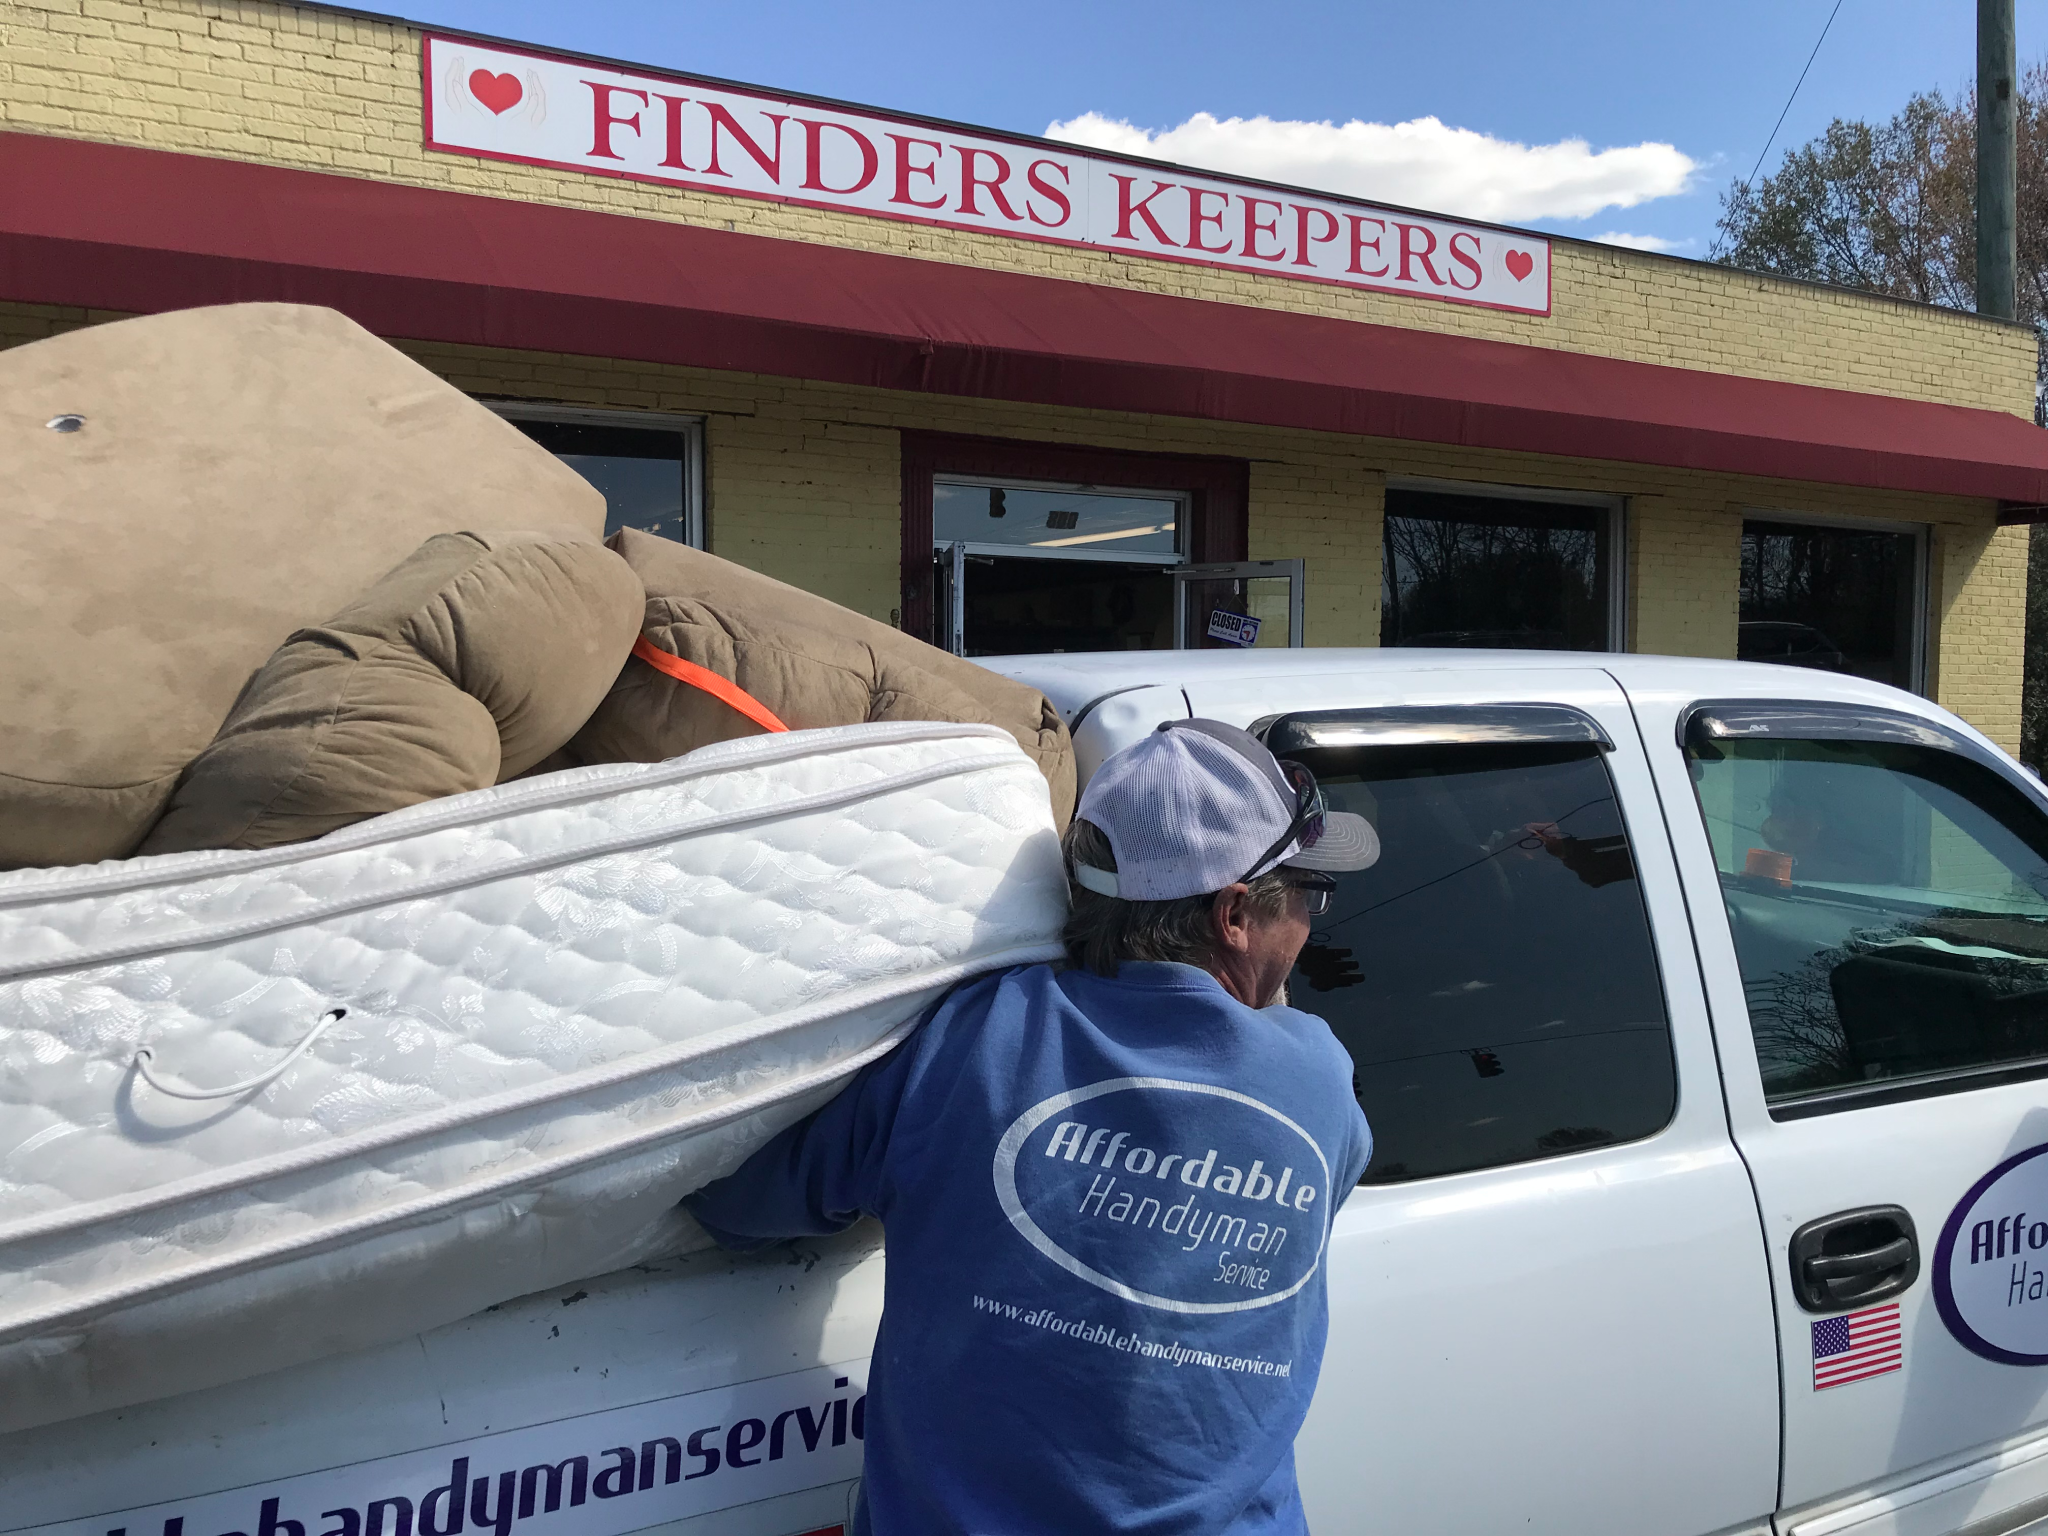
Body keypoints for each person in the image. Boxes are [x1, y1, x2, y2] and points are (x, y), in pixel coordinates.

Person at [684, 719, 1380, 1534]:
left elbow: (734, 1204)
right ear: (1233, 914)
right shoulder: (1318, 1081)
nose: (1309, 921)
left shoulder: (968, 1043)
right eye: (1306, 894)